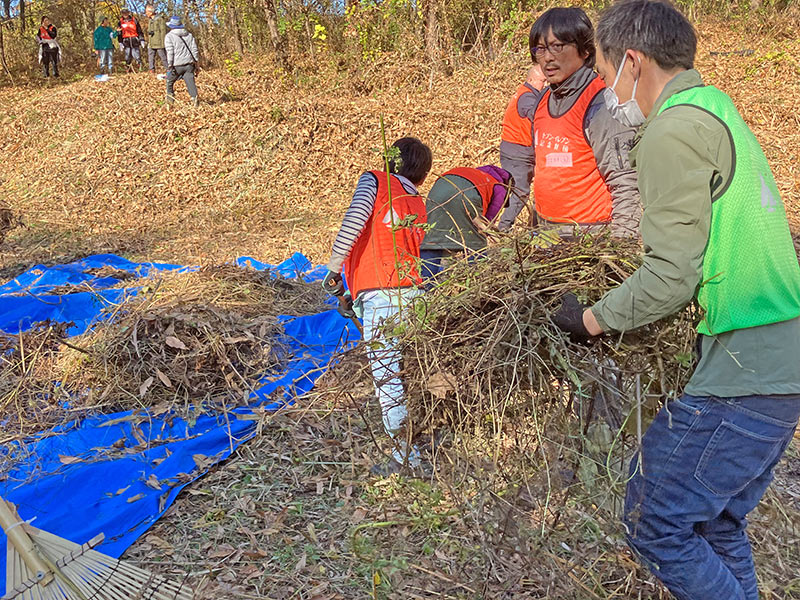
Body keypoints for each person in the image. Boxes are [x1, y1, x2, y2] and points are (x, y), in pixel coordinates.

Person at [552, 2, 800, 599]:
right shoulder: (715, 108)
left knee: (654, 520)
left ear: (632, 62)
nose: (608, 90)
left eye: (606, 71)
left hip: (746, 365)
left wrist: (591, 318)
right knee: (714, 523)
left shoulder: (672, 129)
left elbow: (670, 274)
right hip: (778, 356)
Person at [321, 138, 432, 474]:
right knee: (412, 373)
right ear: (421, 173)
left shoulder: (375, 181)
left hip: (383, 296)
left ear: (390, 161)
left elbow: (354, 222)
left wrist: (333, 268)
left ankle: (405, 458)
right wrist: (354, 297)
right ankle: (423, 438)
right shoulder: (417, 201)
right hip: (414, 294)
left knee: (389, 380)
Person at [497, 7, 640, 237]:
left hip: (590, 239)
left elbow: (625, 181)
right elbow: (545, 171)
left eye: (557, 46)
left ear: (585, 50)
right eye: (540, 49)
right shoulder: (543, 100)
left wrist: (621, 244)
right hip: (547, 236)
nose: (547, 57)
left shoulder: (601, 104)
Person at [419, 165, 512, 280]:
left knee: (433, 238)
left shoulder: (475, 173)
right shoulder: (499, 186)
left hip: (437, 192)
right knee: (475, 245)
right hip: (467, 197)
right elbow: (487, 221)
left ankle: (424, 282)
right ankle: (476, 281)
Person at [497, 66, 545, 230]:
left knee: (538, 189)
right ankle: (503, 229)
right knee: (520, 192)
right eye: (542, 81)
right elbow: (538, 115)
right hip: (518, 153)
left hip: (518, 151)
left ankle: (535, 227)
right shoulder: (527, 97)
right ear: (531, 80)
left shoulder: (526, 93)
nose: (545, 85)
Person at [164, 16, 200, 106]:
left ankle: (170, 101)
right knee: (190, 83)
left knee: (169, 81)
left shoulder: (169, 36)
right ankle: (195, 101)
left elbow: (170, 52)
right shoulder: (189, 35)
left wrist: (170, 65)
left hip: (177, 66)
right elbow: (194, 50)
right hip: (189, 65)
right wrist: (196, 63)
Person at [145, 4, 168, 74]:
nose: (146, 13)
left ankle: (169, 70)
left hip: (159, 43)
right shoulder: (150, 20)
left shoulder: (160, 19)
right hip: (151, 43)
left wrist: (163, 43)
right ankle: (151, 70)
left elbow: (163, 31)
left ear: (151, 12)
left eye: (147, 12)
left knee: (163, 57)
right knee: (151, 57)